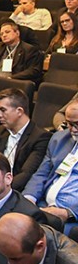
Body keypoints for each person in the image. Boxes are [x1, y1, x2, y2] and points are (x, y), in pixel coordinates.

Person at [22, 99, 78, 233]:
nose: (73, 130)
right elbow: (42, 173)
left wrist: (68, 213)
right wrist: (29, 198)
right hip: (43, 207)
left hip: (71, 218)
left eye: (77, 124)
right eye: (69, 124)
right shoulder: (59, 139)